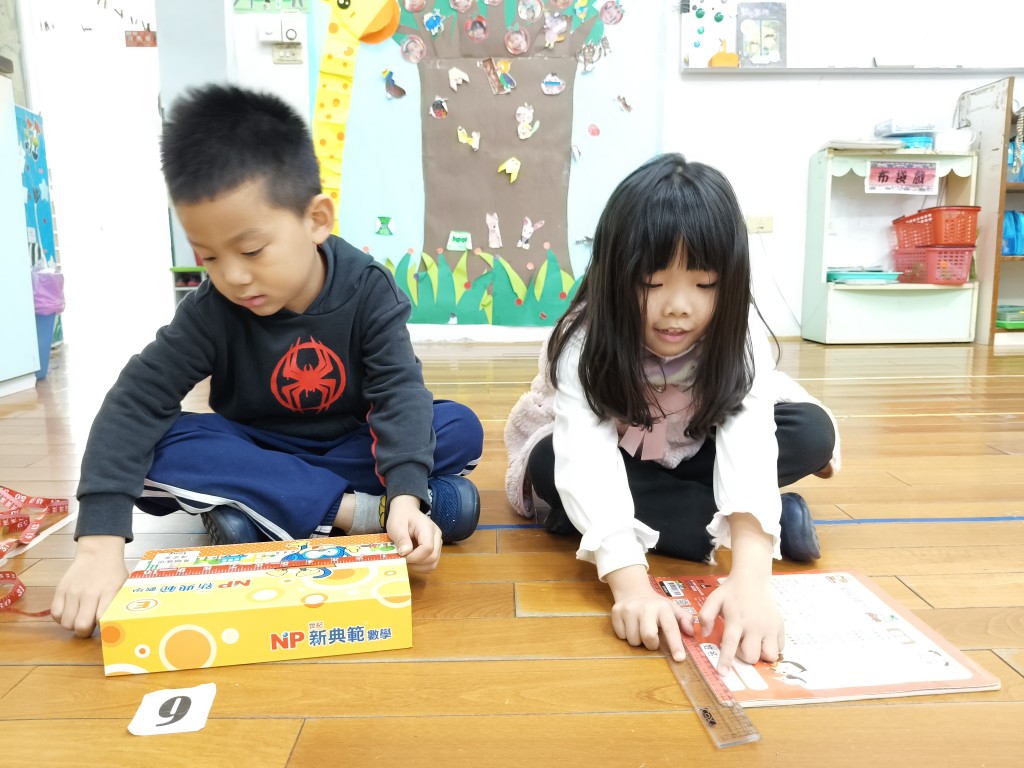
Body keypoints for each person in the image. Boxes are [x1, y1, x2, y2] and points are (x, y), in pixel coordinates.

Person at [52, 84, 484, 637]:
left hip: (354, 444)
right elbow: (136, 400)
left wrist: (404, 490)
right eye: (209, 257)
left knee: (456, 426)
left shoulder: (368, 290)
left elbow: (397, 393)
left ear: (316, 219)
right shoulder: (211, 310)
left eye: (252, 250)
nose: (232, 276)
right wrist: (98, 544)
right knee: (161, 444)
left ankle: (264, 509)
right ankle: (357, 513)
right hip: (257, 448)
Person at [504, 153, 839, 675]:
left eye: (704, 284)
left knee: (810, 432)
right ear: (613, 275)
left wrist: (752, 578)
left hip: (692, 446)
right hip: (624, 454)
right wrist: (632, 588)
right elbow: (586, 460)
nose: (679, 306)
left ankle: (707, 520)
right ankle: (765, 517)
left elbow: (749, 437)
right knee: (552, 463)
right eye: (651, 282)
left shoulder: (739, 334)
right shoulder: (583, 341)